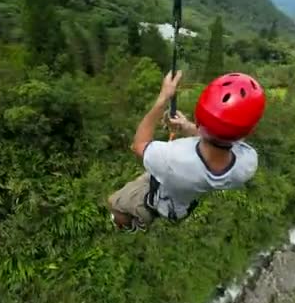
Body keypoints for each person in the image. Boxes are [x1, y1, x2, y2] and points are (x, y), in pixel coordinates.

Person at [108, 70, 266, 232]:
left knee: (114, 203)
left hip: (161, 199)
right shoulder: (248, 164)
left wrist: (162, 98)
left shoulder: (172, 158)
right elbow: (224, 137)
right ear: (247, 132)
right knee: (153, 174)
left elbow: (139, 144)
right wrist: (187, 127)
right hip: (182, 201)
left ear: (198, 117)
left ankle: (130, 224)